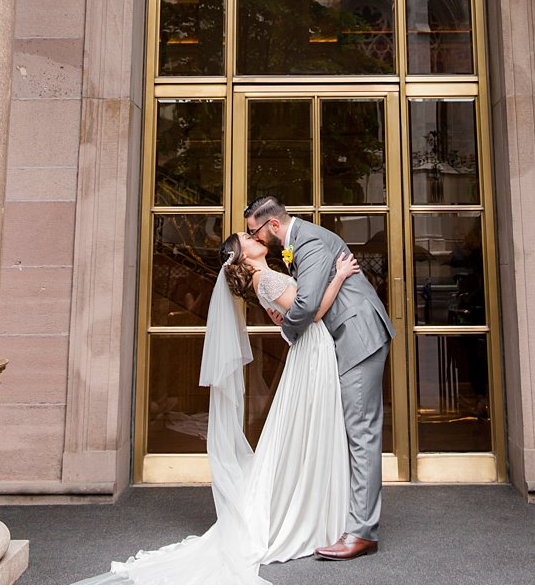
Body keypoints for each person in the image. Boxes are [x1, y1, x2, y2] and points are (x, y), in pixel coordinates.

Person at [105, 231, 363, 583]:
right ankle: (309, 512)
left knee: (307, 429)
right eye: (246, 237)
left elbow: (290, 316)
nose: (253, 236)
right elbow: (314, 313)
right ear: (241, 256)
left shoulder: (266, 277)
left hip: (310, 350)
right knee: (309, 428)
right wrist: (340, 276)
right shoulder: (266, 278)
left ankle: (313, 506)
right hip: (314, 350)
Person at [246, 194, 396, 561]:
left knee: (361, 431)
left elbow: (307, 304)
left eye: (256, 232)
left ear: (274, 225)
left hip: (357, 336)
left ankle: (362, 532)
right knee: (353, 429)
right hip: (347, 336)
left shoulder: (309, 241)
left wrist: (287, 333)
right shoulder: (301, 242)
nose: (256, 238)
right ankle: (346, 519)